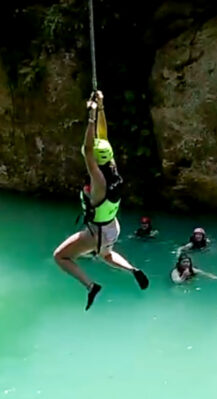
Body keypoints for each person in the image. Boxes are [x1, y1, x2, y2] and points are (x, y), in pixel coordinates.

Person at [52, 90, 149, 310]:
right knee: (106, 255)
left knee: (60, 257)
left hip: (96, 233)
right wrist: (102, 106)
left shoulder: (98, 181)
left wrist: (91, 116)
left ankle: (90, 286)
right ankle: (132, 269)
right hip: (112, 227)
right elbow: (103, 137)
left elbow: (88, 150)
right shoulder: (112, 168)